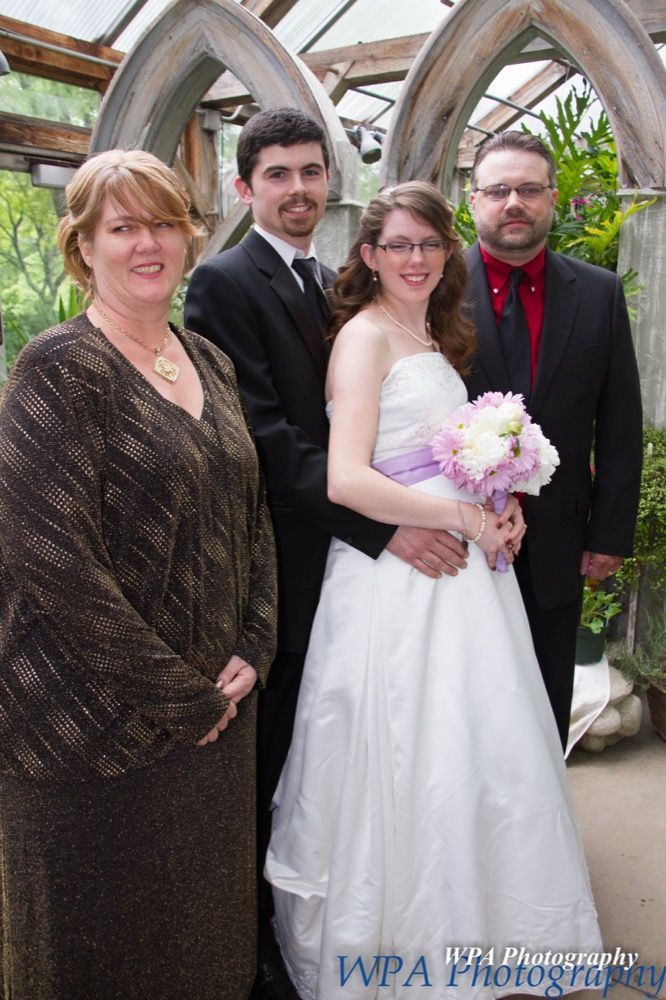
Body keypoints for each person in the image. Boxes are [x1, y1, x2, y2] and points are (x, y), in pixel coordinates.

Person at [265, 181, 603, 1000]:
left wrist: (503, 502)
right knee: (411, 750)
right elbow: (346, 479)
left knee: (481, 745)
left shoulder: (438, 334)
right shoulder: (363, 339)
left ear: (447, 252)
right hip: (395, 584)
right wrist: (463, 515)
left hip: (466, 578)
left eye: (429, 244)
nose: (415, 259)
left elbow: (447, 454)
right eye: (398, 246)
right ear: (371, 256)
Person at [184, 108, 476, 999]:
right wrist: (387, 526)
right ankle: (267, 944)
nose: (299, 189)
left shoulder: (331, 281)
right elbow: (268, 436)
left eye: (312, 172)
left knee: (350, 752)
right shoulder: (224, 284)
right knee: (288, 765)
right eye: (279, 175)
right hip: (296, 560)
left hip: (355, 564)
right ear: (247, 187)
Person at [0, 149, 276, 1000]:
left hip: (214, 722)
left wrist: (255, 645)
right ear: (84, 246)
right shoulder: (59, 369)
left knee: (199, 938)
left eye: (164, 223)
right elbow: (52, 562)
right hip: (85, 730)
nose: (148, 243)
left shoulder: (211, 361)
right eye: (124, 227)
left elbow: (252, 516)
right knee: (97, 951)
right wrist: (179, 693)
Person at [464, 130, 643, 748]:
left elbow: (619, 426)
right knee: (462, 702)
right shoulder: (429, 291)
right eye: (499, 189)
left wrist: (609, 536)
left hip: (561, 545)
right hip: (456, 541)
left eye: (529, 189)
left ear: (552, 198)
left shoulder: (598, 293)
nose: (514, 202)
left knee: (542, 701)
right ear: (473, 200)